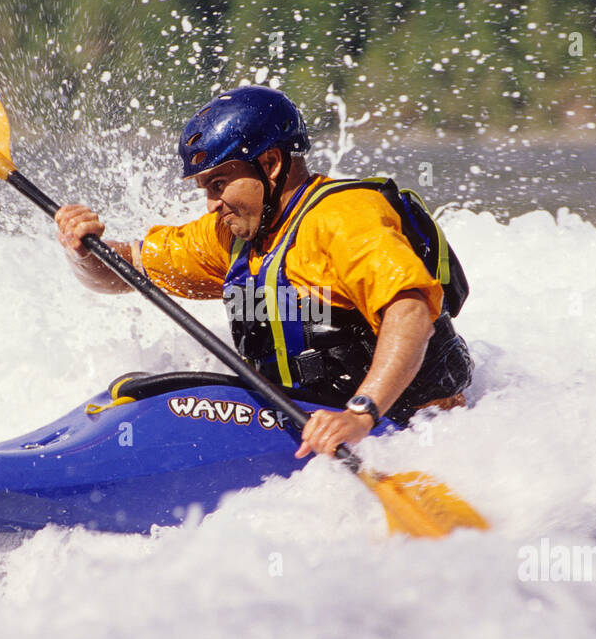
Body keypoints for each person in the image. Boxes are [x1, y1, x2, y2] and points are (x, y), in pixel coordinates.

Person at [55, 85, 472, 458]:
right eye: (205, 189)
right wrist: (83, 250)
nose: (211, 204)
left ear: (271, 163)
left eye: (219, 184)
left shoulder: (344, 218)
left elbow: (411, 313)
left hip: (406, 431)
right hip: (304, 424)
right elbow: (123, 270)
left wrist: (360, 414)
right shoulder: (232, 235)